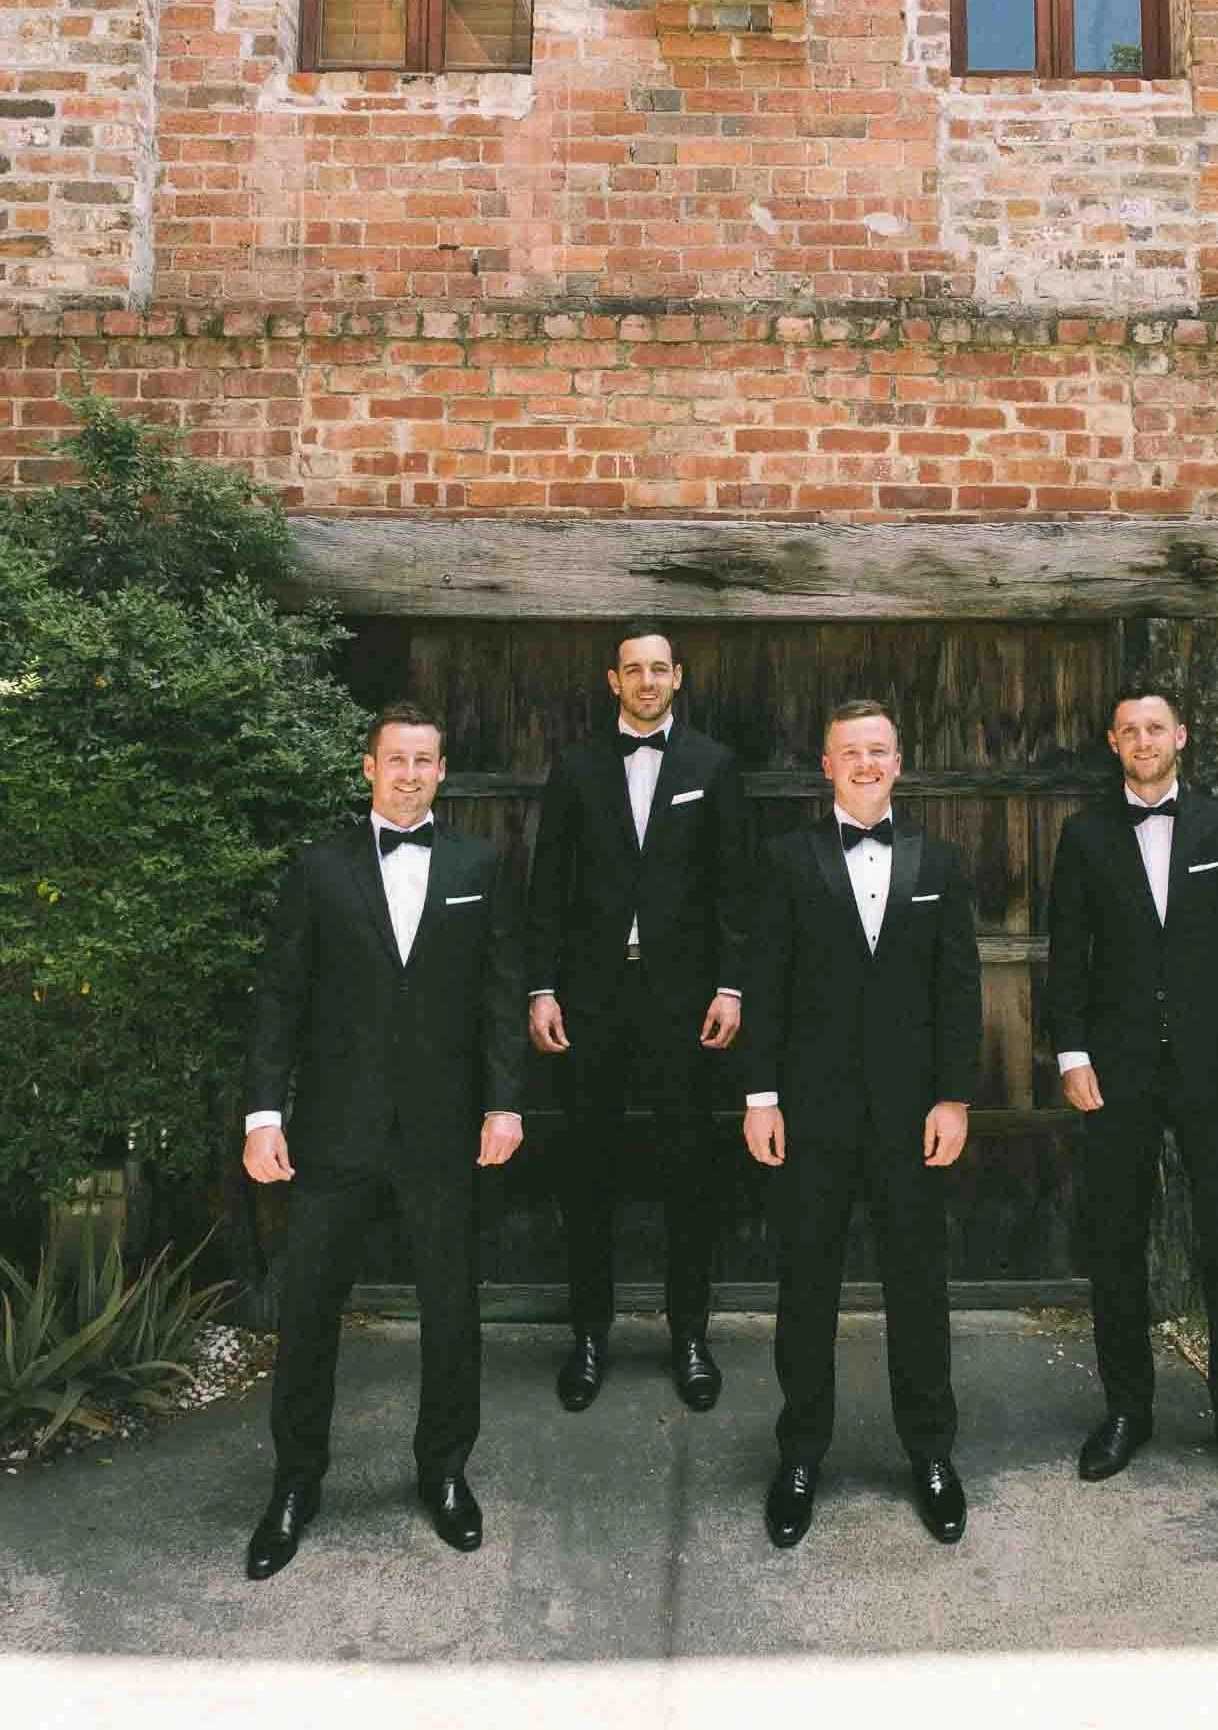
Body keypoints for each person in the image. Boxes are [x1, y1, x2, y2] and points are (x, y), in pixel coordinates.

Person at [241, 701, 526, 1578]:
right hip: (335, 1130)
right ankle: (295, 1484)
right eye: (394, 760)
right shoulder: (318, 868)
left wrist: (505, 1105)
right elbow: (280, 997)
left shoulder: (479, 864)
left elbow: (500, 995)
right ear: (368, 768)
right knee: (308, 1312)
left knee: (452, 1309)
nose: (409, 774)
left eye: (423, 761)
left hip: (445, 1131)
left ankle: (445, 1472)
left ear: (442, 771)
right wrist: (263, 1115)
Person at [742, 699, 982, 1548]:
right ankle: (800, 1455)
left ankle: (931, 1453)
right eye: (851, 751)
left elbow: (959, 989)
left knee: (919, 1284)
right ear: (827, 765)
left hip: (912, 1115)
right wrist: (760, 1100)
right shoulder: (785, 860)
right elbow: (764, 985)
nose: (867, 763)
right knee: (806, 1285)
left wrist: (954, 1098)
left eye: (879, 750)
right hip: (810, 1114)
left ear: (899, 761)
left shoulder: (941, 860)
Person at [1045, 678, 1218, 1502]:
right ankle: (1127, 1412)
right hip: (1116, 1070)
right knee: (1116, 1242)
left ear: (1180, 736)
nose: (1144, 741)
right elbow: (1067, 955)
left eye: (1156, 728)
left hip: (1216, 1065)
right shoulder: (1083, 836)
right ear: (1113, 743)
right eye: (1129, 730)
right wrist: (1072, 1054)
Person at [528, 620, 749, 1412]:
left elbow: (735, 885)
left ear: (678, 677)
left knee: (690, 1168)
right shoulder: (576, 765)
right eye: (634, 670)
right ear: (613, 681)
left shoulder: (713, 766)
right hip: (591, 999)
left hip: (684, 1003)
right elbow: (547, 886)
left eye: (660, 669)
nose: (648, 681)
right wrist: (541, 989)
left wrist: (731, 987)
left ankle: (689, 1336)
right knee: (588, 1169)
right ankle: (588, 1337)